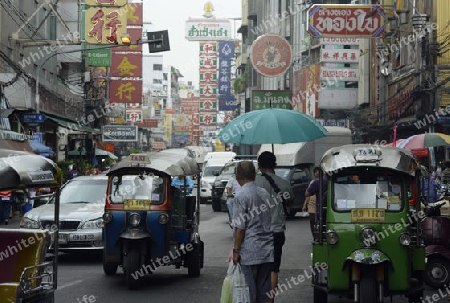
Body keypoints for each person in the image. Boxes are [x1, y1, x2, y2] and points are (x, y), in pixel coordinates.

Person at [254, 151, 294, 302]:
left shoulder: (253, 183)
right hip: (276, 231)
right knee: (273, 268)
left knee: (256, 267)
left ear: (258, 165)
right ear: (275, 165)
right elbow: (290, 202)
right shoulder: (284, 183)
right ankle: (270, 300)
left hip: (257, 232)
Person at [232, 161, 273, 303]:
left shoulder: (240, 195)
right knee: (264, 292)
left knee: (249, 292)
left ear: (237, 176)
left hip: (249, 251)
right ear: (255, 175)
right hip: (267, 250)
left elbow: (240, 227)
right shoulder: (265, 193)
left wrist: (236, 251)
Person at [305, 167, 328, 233]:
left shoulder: (317, 182)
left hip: (321, 210)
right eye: (315, 172)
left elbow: (307, 193)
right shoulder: (341, 180)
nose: (316, 173)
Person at [303, 167, 320, 237]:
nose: (317, 173)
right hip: (312, 204)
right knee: (312, 220)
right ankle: (314, 236)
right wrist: (304, 205)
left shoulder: (325, 181)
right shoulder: (312, 182)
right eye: (315, 172)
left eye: (318, 172)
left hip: (320, 204)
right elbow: (307, 195)